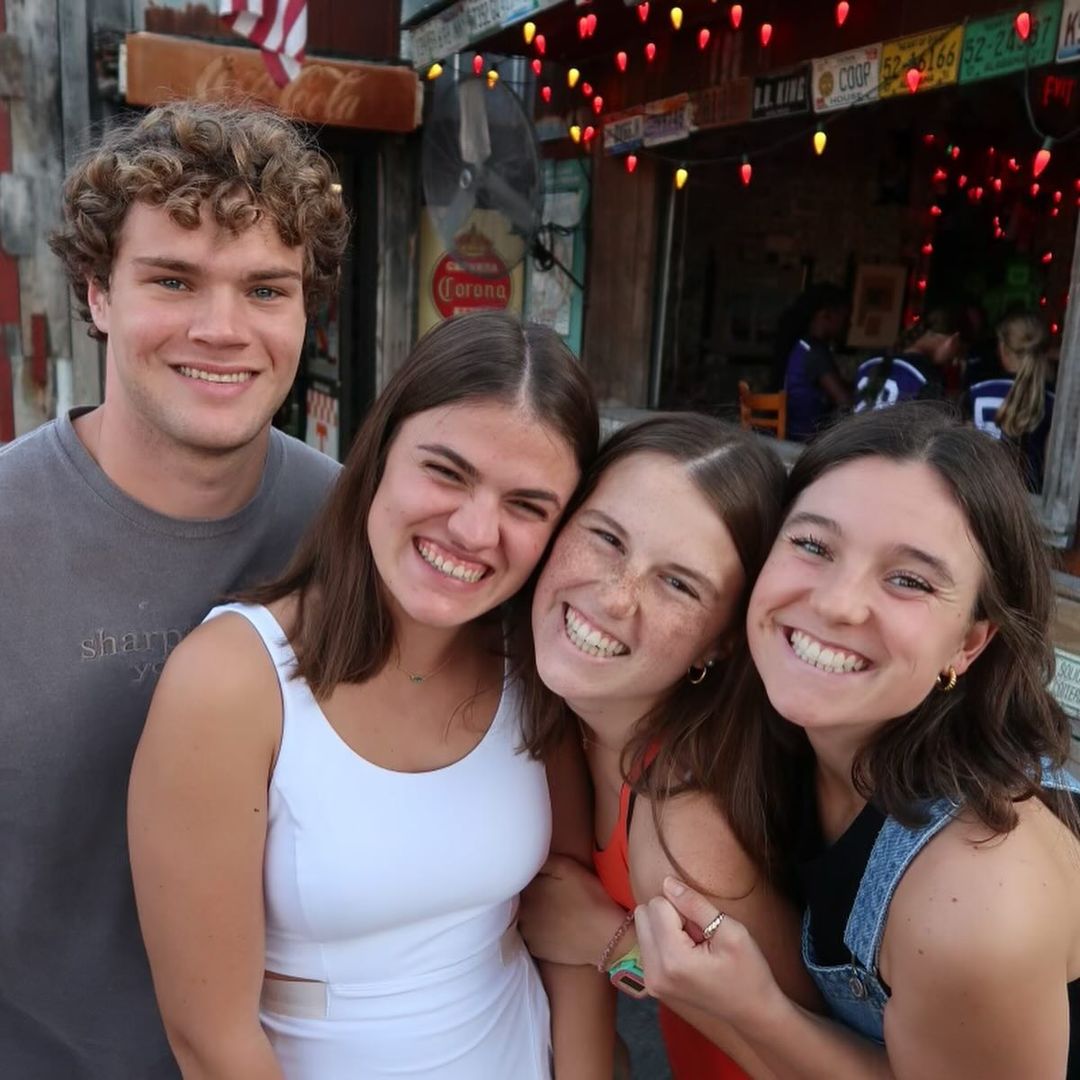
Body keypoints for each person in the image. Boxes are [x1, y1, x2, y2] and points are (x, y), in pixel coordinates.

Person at [128, 311, 607, 1079]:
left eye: (527, 505)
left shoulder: (534, 665)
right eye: (446, 472)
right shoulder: (230, 683)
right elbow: (210, 1042)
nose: (474, 530)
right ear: (379, 452)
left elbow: (571, 929)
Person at [0, 101, 348, 1077]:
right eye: (173, 280)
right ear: (97, 293)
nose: (222, 329)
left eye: (265, 289)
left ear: (305, 313)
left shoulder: (356, 534)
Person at [633, 403, 1080, 1078]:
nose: (836, 602)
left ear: (967, 644)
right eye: (813, 545)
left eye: (909, 580)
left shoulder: (976, 895)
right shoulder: (781, 734)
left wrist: (754, 1011)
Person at [518, 414, 819, 1078]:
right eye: (606, 538)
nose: (615, 597)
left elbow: (801, 1055)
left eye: (678, 583)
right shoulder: (576, 715)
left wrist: (613, 945)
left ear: (721, 643)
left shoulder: (685, 822)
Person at [966, 311, 1054, 491]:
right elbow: (1050, 465)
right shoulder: (1053, 401)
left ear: (1003, 349)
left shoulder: (976, 392)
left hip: (978, 493)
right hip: (1027, 500)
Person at [776, 283, 851, 442]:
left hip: (793, 434)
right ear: (826, 315)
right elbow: (844, 401)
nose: (848, 325)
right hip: (805, 439)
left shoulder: (801, 345)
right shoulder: (815, 352)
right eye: (844, 319)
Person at [853, 308, 961, 412]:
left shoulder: (868, 363)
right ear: (953, 339)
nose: (954, 358)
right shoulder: (927, 375)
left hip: (857, 425)